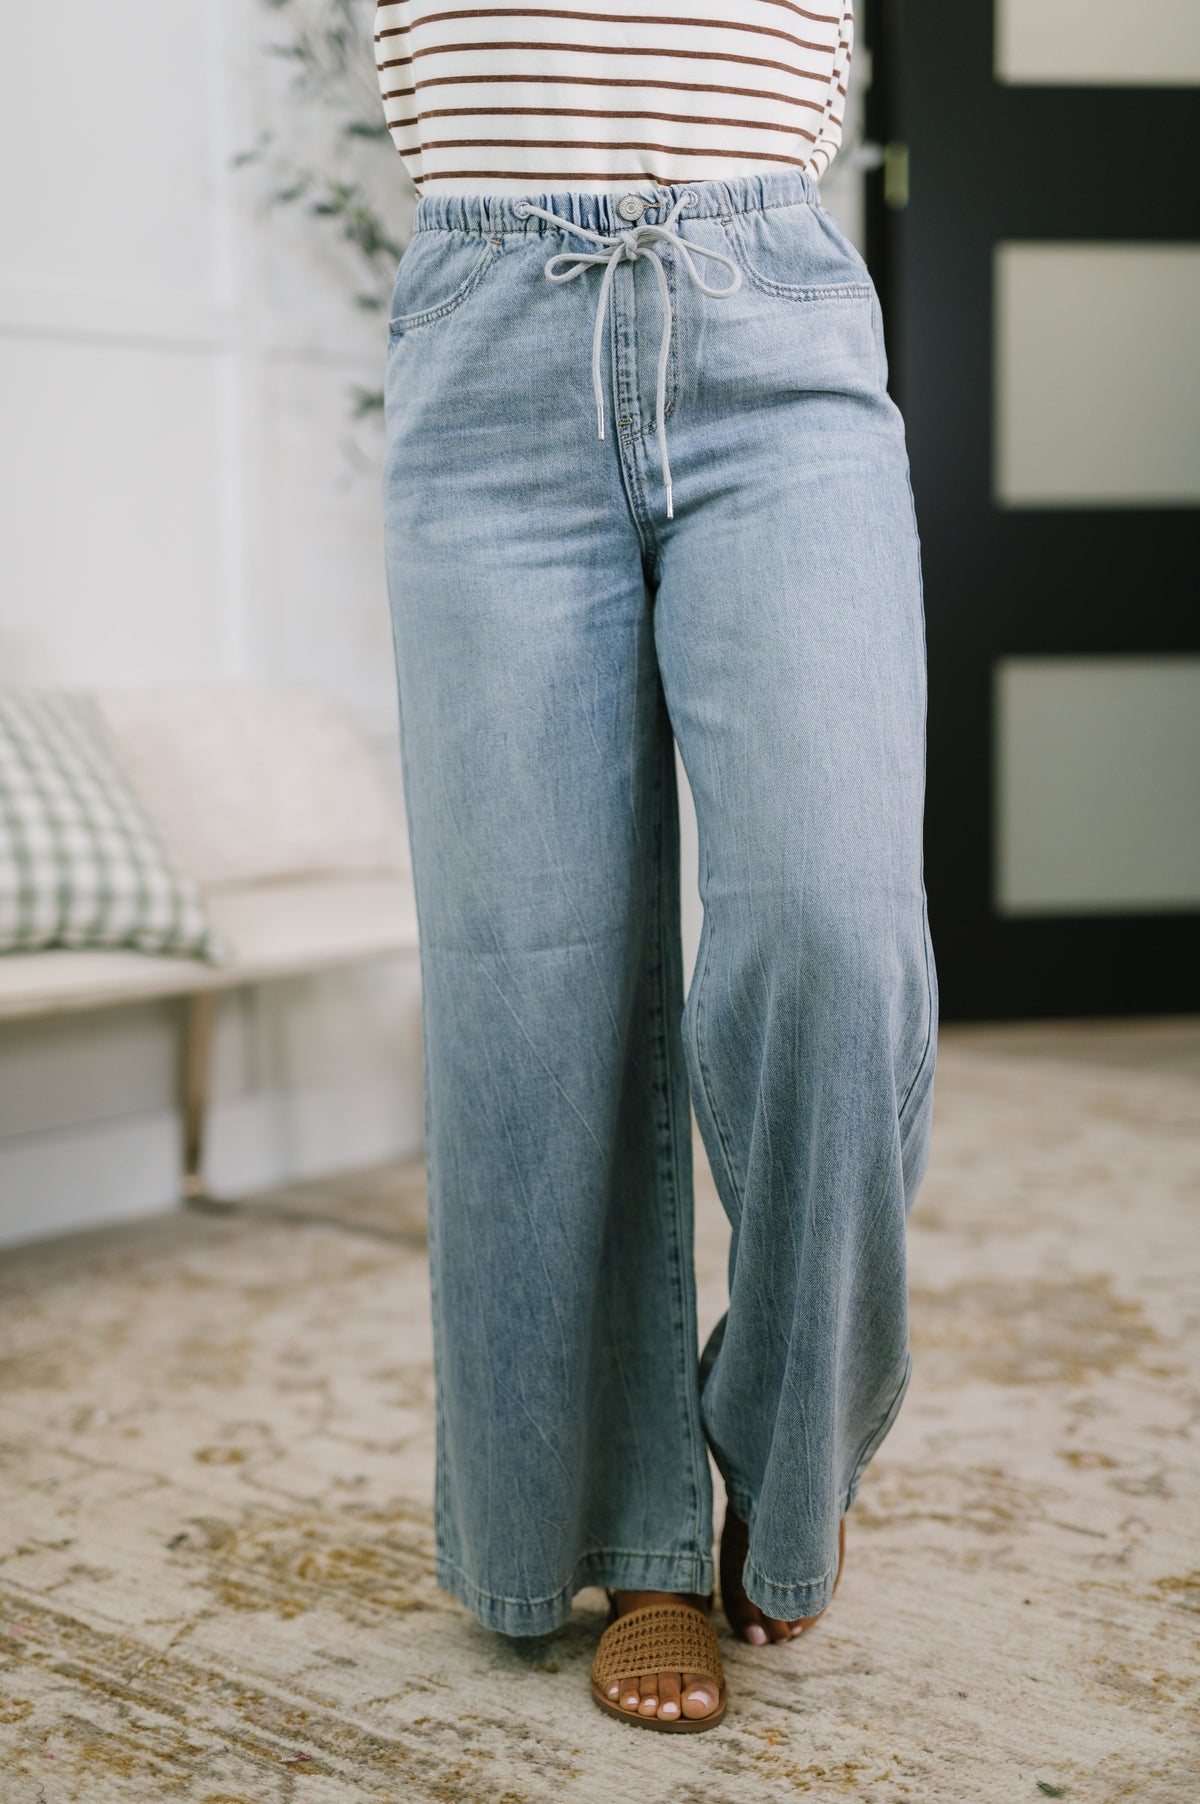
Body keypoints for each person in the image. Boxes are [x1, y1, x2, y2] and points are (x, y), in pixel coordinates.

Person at [376, 0, 937, 1731]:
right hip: (489, 348)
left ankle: (788, 1435)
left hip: (774, 324)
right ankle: (641, 1548)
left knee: (836, 929)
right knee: (532, 976)